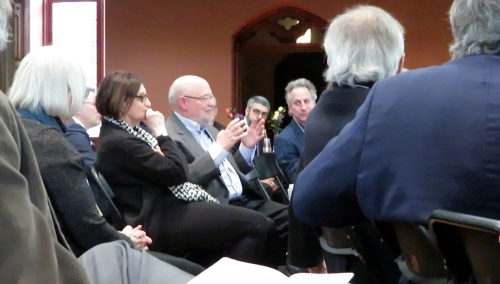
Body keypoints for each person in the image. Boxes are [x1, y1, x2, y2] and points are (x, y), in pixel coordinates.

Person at [0, 2, 193, 282]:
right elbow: (85, 229)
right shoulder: (51, 143)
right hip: (77, 263)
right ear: (66, 91)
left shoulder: (22, 126)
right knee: (194, 274)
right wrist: (123, 239)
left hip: (75, 249)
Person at [293, 0, 500, 230]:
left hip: (424, 263)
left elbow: (308, 200)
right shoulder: (389, 93)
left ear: (457, 25)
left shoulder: (392, 94)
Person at [95, 71, 273, 266]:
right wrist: (161, 133)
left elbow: (174, 168)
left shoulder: (130, 134)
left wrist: (164, 154)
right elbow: (179, 173)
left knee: (257, 226)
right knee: (257, 225)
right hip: (155, 218)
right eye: (142, 97)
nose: (148, 103)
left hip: (169, 206)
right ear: (122, 101)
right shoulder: (120, 140)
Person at [291, 5, 406, 283]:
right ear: (401, 63)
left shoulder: (319, 114)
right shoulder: (392, 116)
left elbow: (302, 184)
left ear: (329, 61)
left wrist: (307, 260)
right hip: (394, 267)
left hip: (339, 260)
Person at [165, 75, 289, 266]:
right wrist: (220, 148)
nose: (212, 103)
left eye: (211, 96)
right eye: (205, 98)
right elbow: (187, 177)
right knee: (264, 226)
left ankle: (286, 273)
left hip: (245, 200)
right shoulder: (170, 136)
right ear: (184, 102)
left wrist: (247, 147)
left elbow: (233, 171)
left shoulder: (212, 131)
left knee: (294, 216)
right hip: (217, 206)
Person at [274, 78, 317, 183]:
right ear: (290, 108)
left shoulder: (326, 129)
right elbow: (295, 177)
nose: (303, 107)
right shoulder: (284, 139)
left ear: (314, 103)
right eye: (297, 103)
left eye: (306, 101)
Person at [65, 87, 101, 170]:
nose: (99, 109)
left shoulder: (75, 129)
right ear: (78, 107)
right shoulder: (73, 131)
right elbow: (94, 167)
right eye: (94, 104)